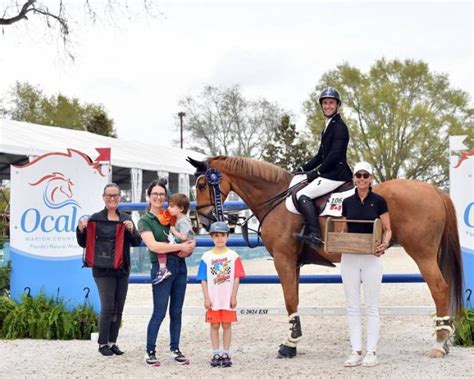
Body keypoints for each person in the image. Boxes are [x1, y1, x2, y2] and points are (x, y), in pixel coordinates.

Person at [76, 183, 142, 356]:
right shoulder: (95, 218)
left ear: (120, 197)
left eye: (115, 195)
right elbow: (84, 242)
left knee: (118, 307)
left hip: (122, 269)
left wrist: (132, 230)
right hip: (102, 270)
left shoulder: (125, 218)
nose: (112, 198)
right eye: (109, 195)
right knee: (108, 306)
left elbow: (136, 242)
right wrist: (80, 229)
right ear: (103, 197)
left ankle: (113, 342)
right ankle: (102, 343)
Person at [138, 178, 196, 366]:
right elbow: (154, 246)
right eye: (155, 193)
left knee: (177, 311)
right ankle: (150, 350)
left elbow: (189, 238)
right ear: (149, 196)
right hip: (162, 267)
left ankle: (175, 348)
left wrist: (190, 245)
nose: (158, 197)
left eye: (161, 194)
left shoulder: (171, 216)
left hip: (180, 266)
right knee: (160, 311)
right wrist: (180, 246)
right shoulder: (145, 220)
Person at [340, 162, 392, 368]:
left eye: (365, 175)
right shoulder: (347, 201)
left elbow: (388, 228)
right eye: (358, 175)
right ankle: (356, 350)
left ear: (371, 178)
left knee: (371, 306)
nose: (362, 179)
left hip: (371, 257)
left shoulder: (379, 201)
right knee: (352, 305)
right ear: (353, 178)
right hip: (350, 257)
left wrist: (385, 244)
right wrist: (337, 240)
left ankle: (371, 351)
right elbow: (344, 227)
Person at [294, 87, 353, 247]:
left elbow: (335, 155)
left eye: (331, 103)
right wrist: (301, 169)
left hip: (336, 174)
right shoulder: (328, 126)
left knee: (302, 195)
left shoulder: (340, 126)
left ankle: (315, 234)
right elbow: (321, 156)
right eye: (325, 103)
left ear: (337, 105)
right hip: (330, 172)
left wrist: (317, 172)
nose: (328, 106)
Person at [196, 221, 245, 368]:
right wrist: (206, 297)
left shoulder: (233, 256)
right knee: (214, 325)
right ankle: (215, 352)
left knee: (227, 325)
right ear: (212, 237)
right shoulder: (206, 257)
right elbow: (203, 279)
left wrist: (234, 295)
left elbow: (236, 277)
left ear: (227, 236)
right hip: (213, 298)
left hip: (227, 298)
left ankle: (226, 352)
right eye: (216, 235)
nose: (219, 238)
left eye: (222, 235)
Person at [153, 193, 195, 285]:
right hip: (181, 246)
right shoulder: (177, 218)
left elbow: (185, 237)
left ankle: (163, 269)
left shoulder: (183, 221)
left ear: (181, 209)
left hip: (184, 246)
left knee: (161, 247)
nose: (168, 208)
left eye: (171, 206)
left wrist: (174, 231)